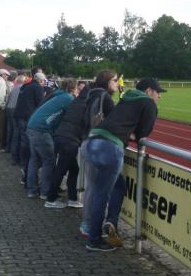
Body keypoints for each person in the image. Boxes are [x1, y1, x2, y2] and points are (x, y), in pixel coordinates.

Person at [84, 77, 165, 252]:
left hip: (92, 142)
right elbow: (143, 133)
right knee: (101, 193)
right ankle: (94, 239)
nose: (159, 97)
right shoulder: (148, 103)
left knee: (119, 186)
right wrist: (133, 134)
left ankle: (111, 221)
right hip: (110, 147)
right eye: (158, 93)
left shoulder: (125, 99)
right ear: (149, 91)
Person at [79, 71, 119, 234]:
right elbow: (115, 122)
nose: (118, 84)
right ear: (107, 82)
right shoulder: (105, 98)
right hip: (99, 145)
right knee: (100, 189)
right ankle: (92, 226)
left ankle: (87, 224)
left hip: (87, 143)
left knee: (91, 187)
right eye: (115, 80)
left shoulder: (90, 95)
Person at [26, 78, 77, 198]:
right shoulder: (68, 98)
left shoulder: (56, 95)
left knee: (35, 159)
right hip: (42, 129)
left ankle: (32, 190)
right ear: (73, 88)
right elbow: (74, 115)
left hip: (32, 126)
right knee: (49, 160)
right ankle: (45, 191)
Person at [12, 68, 46, 184]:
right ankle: (26, 169)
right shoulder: (37, 88)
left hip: (18, 115)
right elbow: (40, 104)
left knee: (20, 140)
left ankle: (21, 164)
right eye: (43, 82)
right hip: (27, 117)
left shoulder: (25, 86)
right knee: (27, 144)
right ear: (41, 81)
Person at [5, 73, 27, 152]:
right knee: (15, 130)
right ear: (24, 81)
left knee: (9, 128)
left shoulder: (14, 88)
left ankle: (7, 146)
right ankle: (12, 149)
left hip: (8, 108)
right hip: (14, 109)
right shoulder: (22, 89)